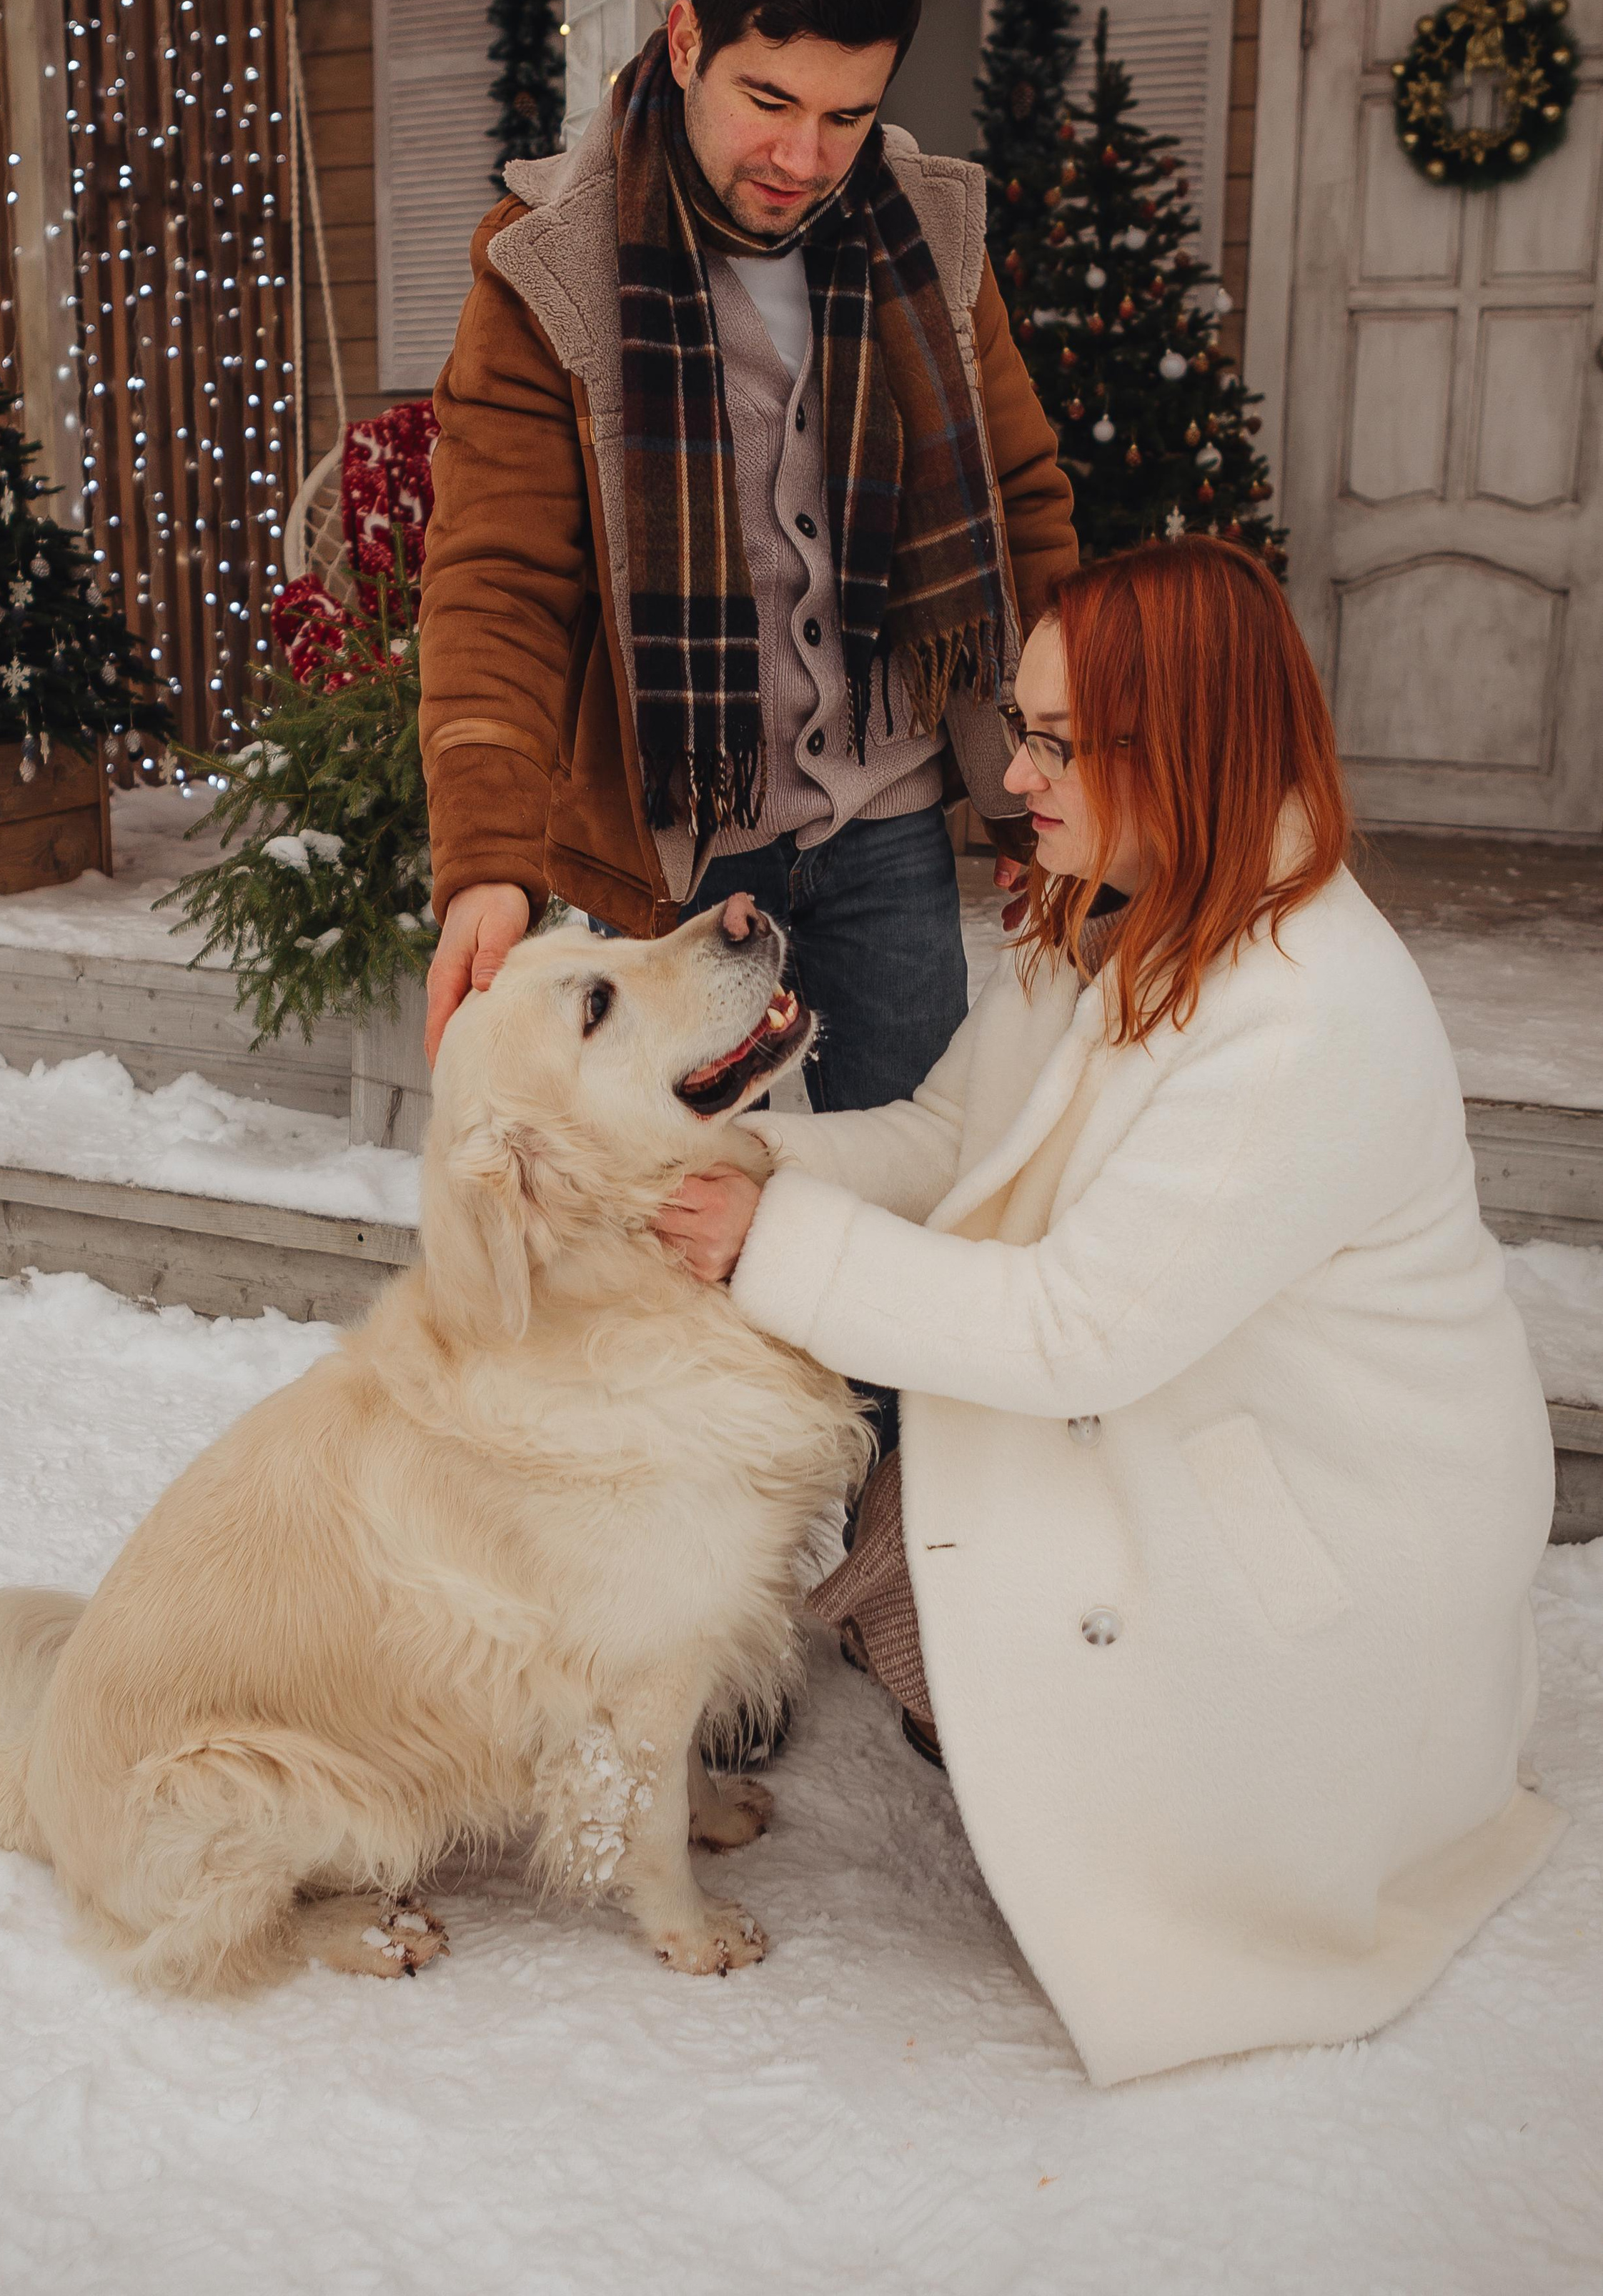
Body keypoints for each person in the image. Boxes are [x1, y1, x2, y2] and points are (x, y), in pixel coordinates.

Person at [654, 537, 1565, 2087]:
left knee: (970, 1608)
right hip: (1208, 1422)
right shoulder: (1117, 916)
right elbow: (955, 1145)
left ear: (1187, 744)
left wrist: (770, 1249)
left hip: (1328, 1521)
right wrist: (736, 1159)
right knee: (924, 1561)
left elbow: (1076, 1332)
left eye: (1057, 743)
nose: (1010, 775)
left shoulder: (1303, 1015)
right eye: (1022, 726)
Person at [417, 0, 1076, 1129]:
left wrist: (1055, 772)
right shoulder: (547, 267)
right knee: (681, 1206)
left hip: (888, 818)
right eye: (767, 99)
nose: (801, 154)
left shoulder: (931, 237)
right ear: (686, 41)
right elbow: (497, 580)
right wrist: (488, 861)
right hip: (678, 839)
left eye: (846, 115)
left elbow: (1024, 506)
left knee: (914, 1177)